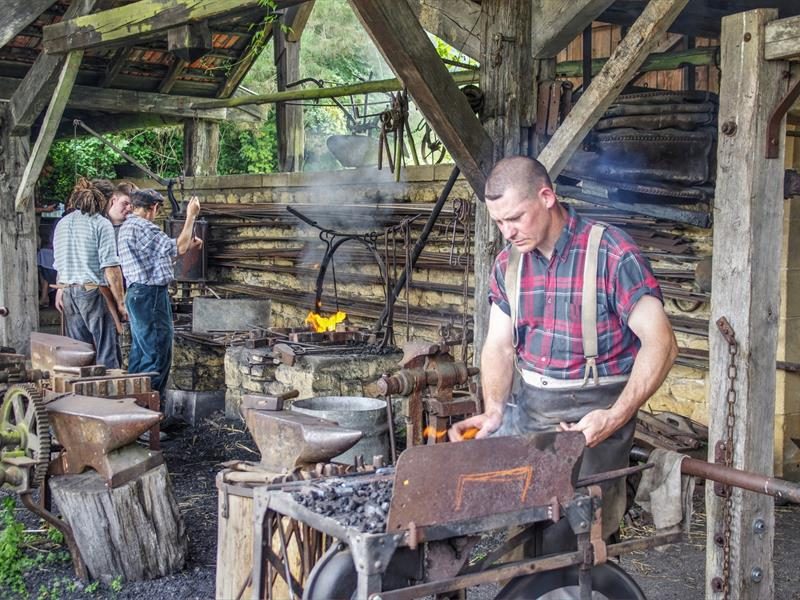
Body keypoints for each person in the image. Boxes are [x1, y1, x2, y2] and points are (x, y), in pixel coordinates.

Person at [449, 156, 678, 550]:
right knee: (524, 541)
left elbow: (662, 343)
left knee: (580, 547)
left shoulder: (611, 252)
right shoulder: (508, 265)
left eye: (516, 218)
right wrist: (495, 409)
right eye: (499, 223)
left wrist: (614, 416)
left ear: (547, 196)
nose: (508, 232)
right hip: (533, 416)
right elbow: (499, 347)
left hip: (596, 424)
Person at [117, 189, 202, 398]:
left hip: (138, 293)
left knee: (141, 353)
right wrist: (191, 215)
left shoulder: (127, 226)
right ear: (153, 208)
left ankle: (133, 409)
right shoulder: (144, 227)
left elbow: (160, 257)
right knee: (156, 354)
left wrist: (185, 247)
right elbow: (179, 247)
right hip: (150, 295)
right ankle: (150, 415)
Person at [52, 179, 127, 368]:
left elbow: (60, 262)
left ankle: (81, 394)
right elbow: (111, 268)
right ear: (109, 201)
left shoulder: (62, 223)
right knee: (106, 353)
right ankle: (110, 396)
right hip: (93, 293)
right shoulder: (101, 224)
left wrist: (61, 289)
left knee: (80, 355)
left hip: (68, 292)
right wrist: (121, 303)